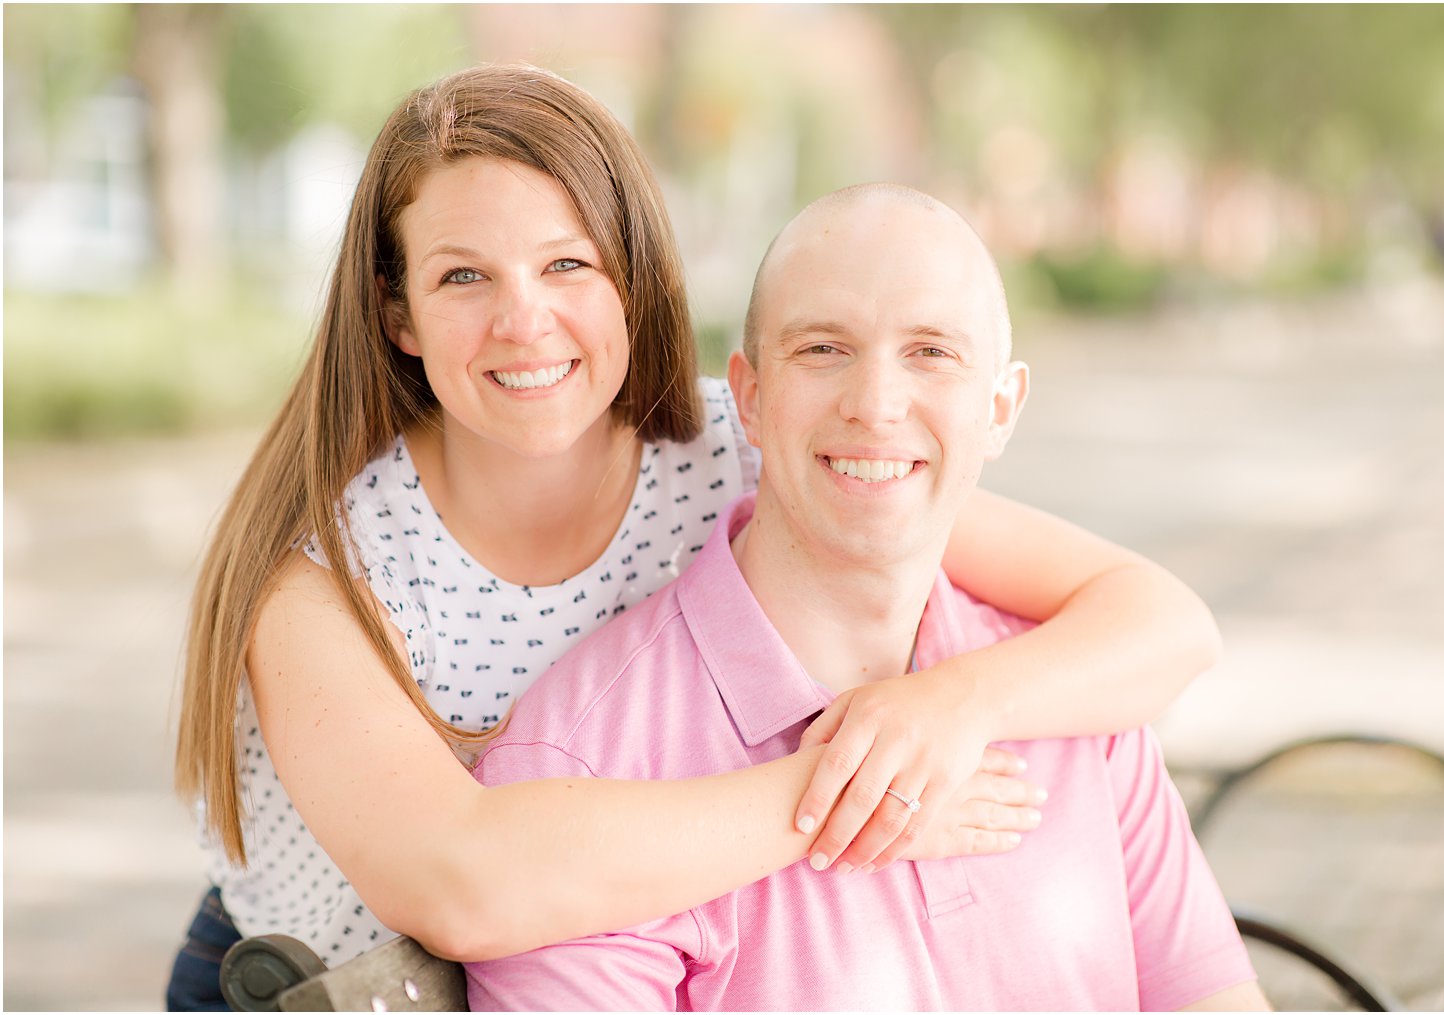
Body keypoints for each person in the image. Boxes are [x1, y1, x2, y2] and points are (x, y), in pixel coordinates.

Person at [168, 65, 1223, 1009]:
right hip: (331, 981)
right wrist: (868, 790)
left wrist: (945, 707)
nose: (523, 319)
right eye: (462, 277)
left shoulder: (746, 442)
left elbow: (1159, 623)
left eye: (567, 265)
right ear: (397, 316)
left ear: (632, 279)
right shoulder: (324, 581)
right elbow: (465, 886)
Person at [466, 184, 1268, 1011]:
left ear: (1000, 409)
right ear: (747, 395)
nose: (876, 405)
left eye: (931, 353)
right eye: (823, 349)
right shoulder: (583, 771)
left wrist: (963, 703)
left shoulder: (1075, 698)